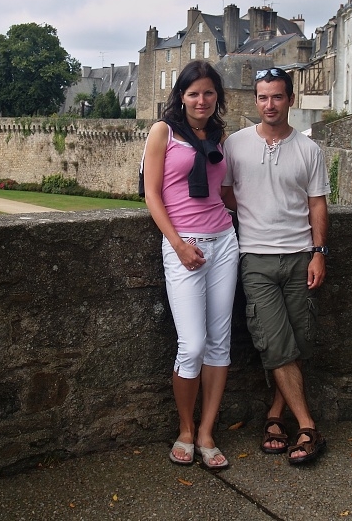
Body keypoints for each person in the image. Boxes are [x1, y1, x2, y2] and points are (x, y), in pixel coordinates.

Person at [221, 67, 330, 465]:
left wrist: (319, 252)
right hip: (255, 257)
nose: (270, 105)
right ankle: (308, 425)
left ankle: (274, 416)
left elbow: (317, 203)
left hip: (300, 256)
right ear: (255, 100)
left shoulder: (309, 149)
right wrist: (256, 210)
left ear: (290, 100)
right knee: (274, 341)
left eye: (277, 96)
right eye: (263, 97)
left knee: (297, 341)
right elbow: (226, 194)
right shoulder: (235, 145)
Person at [143, 60, 239, 469]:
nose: (202, 100)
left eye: (209, 92)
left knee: (219, 343)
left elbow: (227, 192)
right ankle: (185, 429)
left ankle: (206, 432)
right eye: (194, 92)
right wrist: (178, 244)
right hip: (185, 244)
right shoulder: (163, 132)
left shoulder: (220, 136)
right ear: (181, 96)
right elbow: (152, 194)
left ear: (218, 96)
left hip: (224, 241)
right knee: (193, 344)